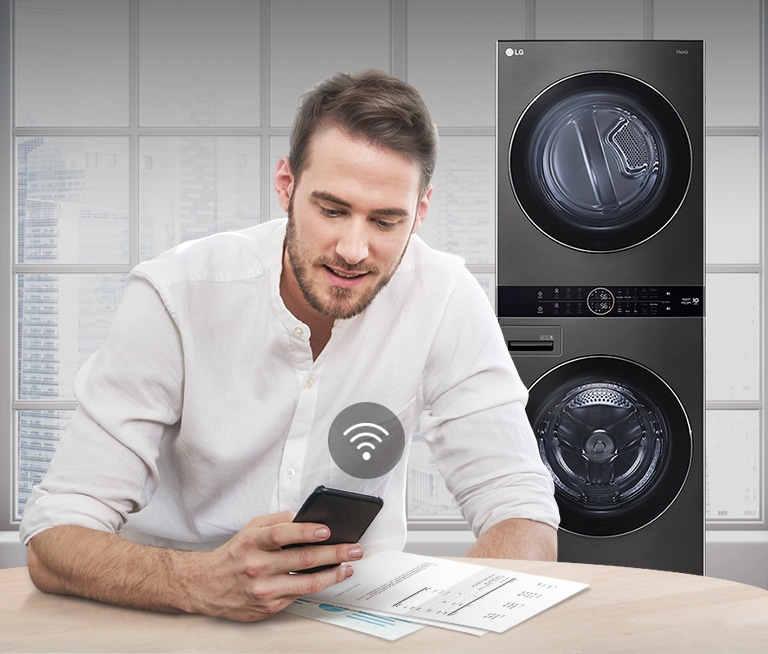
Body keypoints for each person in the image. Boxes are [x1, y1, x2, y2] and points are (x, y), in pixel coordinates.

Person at [19, 70, 559, 623]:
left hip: (354, 622)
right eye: (331, 210)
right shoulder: (175, 295)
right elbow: (55, 536)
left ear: (419, 212)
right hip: (177, 617)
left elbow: (519, 504)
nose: (353, 249)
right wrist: (196, 582)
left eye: (385, 220)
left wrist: (457, 622)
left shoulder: (444, 296)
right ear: (286, 185)